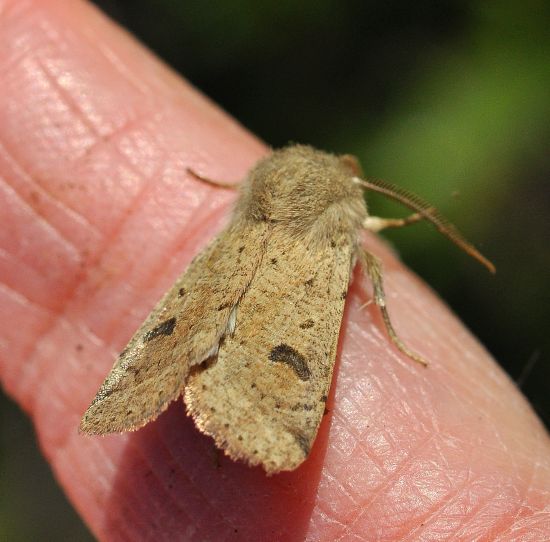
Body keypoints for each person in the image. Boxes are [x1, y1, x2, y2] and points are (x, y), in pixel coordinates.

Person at [1, 1, 548, 539]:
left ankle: (170, 386)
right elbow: (369, 257)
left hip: (226, 264)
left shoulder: (279, 191)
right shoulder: (342, 224)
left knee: (181, 318)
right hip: (290, 329)